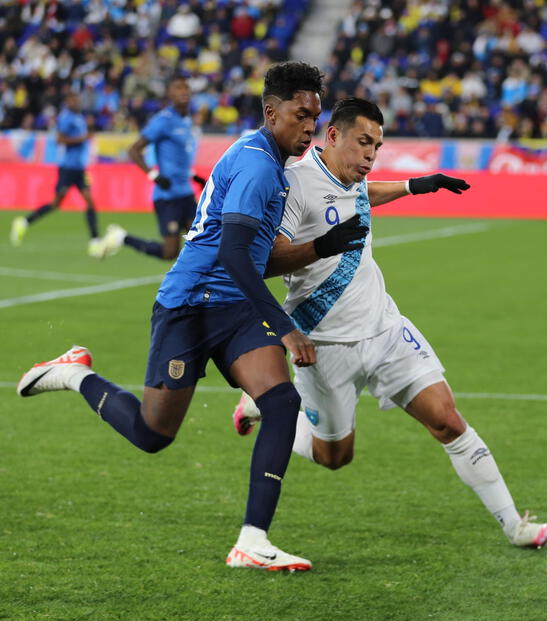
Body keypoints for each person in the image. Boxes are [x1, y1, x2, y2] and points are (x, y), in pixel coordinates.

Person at [16, 61, 344, 572]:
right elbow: (235, 256)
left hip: (233, 307)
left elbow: (250, 258)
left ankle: (252, 541)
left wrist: (322, 244)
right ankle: (75, 373)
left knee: (281, 404)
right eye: (301, 116)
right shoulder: (259, 166)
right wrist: (284, 328)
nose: (309, 128)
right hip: (188, 305)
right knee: (153, 435)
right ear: (271, 111)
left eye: (315, 118)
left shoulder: (269, 160)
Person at [232, 97, 547, 548]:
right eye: (363, 143)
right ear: (333, 136)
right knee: (335, 457)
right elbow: (266, 260)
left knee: (447, 421)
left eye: (378, 147)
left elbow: (360, 196)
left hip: (386, 330)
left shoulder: (354, 178)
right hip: (324, 345)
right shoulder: (292, 185)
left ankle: (517, 527)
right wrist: (325, 245)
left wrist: (415, 185)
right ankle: (265, 411)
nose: (371, 155)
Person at [101, 75, 206, 261]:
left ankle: (198, 287)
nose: (183, 91)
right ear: (169, 94)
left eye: (186, 87)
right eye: (178, 88)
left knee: (204, 241)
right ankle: (121, 237)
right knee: (170, 252)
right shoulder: (163, 120)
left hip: (186, 194)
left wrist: (193, 176)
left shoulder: (187, 120)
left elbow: (179, 157)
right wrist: (153, 175)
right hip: (167, 197)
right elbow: (134, 150)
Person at [10, 92, 102, 257]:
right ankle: (23, 222)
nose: (76, 102)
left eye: (77, 99)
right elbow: (60, 140)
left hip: (79, 169)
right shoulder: (66, 118)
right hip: (67, 167)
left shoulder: (80, 117)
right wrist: (83, 138)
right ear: (67, 102)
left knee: (90, 202)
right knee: (56, 202)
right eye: (72, 99)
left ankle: (94, 241)